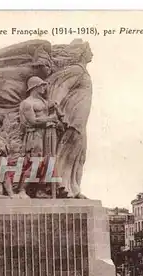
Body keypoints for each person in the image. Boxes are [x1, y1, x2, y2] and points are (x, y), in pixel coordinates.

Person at [47, 39, 93, 198]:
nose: (92, 53)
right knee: (69, 149)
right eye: (89, 50)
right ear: (82, 52)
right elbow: (61, 87)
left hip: (80, 119)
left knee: (80, 153)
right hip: (72, 117)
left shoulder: (81, 70)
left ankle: (73, 187)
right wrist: (55, 105)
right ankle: (62, 185)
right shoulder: (76, 70)